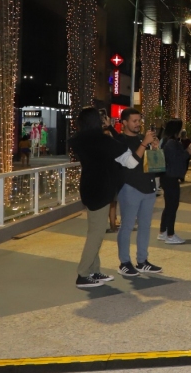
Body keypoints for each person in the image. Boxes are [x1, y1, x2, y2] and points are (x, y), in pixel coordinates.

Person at [69, 106, 138, 288]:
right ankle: (83, 274)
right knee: (96, 234)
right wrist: (111, 129)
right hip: (102, 189)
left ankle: (93, 270)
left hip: (89, 187)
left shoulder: (79, 140)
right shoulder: (103, 140)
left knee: (94, 230)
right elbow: (129, 159)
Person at [115, 108, 163, 276]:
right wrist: (144, 144)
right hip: (130, 187)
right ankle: (124, 262)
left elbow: (152, 162)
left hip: (148, 187)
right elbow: (131, 163)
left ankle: (142, 260)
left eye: (139, 121)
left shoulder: (144, 138)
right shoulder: (120, 141)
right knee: (127, 226)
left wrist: (154, 148)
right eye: (134, 121)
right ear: (125, 122)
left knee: (145, 226)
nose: (137, 124)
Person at [157, 119, 190, 245]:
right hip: (171, 177)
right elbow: (176, 159)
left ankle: (163, 232)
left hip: (166, 177)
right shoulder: (172, 143)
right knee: (172, 206)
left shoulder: (165, 140)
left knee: (168, 205)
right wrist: (188, 152)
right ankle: (170, 234)